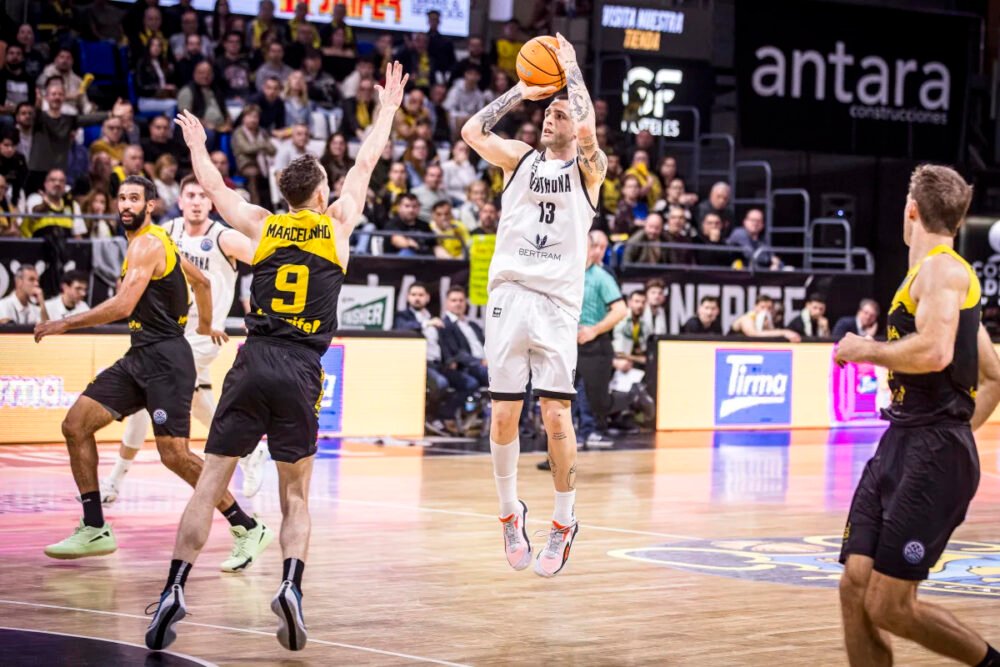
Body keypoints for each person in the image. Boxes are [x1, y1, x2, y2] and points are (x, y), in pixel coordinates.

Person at [144, 63, 408, 652]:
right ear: (320, 195)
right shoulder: (337, 225)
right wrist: (387, 108)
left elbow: (213, 191)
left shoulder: (262, 227)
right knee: (295, 495)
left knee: (209, 483)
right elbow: (366, 163)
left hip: (252, 356)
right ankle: (290, 587)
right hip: (301, 366)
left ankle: (172, 589)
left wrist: (196, 145)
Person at [32, 175, 263, 565]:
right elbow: (202, 281)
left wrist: (64, 322)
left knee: (174, 455)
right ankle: (94, 526)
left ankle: (248, 527)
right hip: (140, 356)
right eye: (121, 197)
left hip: (167, 363)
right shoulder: (162, 242)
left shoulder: (149, 243)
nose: (126, 204)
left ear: (150, 205)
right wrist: (205, 323)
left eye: (134, 198)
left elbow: (123, 306)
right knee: (76, 425)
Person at [835, 164, 1000, 667]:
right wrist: (959, 433)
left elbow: (933, 352)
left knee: (890, 606)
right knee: (854, 586)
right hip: (903, 441)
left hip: (931, 451)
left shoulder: (945, 271)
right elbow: (993, 374)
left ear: (910, 210)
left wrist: (865, 349)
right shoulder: (928, 277)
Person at [461, 34, 606, 577]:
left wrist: (569, 71)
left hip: (556, 304)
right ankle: (508, 513)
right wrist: (521, 91)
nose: (550, 117)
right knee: (502, 413)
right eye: (548, 112)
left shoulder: (590, 169)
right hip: (510, 296)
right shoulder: (519, 159)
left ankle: (564, 521)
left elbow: (589, 130)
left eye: (559, 113)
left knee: (555, 415)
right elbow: (472, 131)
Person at [105, 175, 271, 506]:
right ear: (179, 201)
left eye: (202, 195)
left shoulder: (224, 238)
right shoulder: (166, 233)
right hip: (167, 330)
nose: (196, 201)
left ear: (211, 203)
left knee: (146, 396)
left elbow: (270, 261)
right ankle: (251, 450)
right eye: (190, 195)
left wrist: (263, 312)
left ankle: (115, 478)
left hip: (206, 333)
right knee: (197, 401)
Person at [441, 286, 488, 387]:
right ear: (446, 303)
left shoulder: (473, 325)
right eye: (454, 300)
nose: (458, 303)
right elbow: (458, 354)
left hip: (487, 363)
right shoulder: (445, 325)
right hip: (469, 366)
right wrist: (481, 361)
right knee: (498, 378)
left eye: (461, 300)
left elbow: (486, 345)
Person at [730, 294, 800, 342]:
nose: (765, 311)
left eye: (769, 308)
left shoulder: (767, 321)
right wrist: (783, 332)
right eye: (762, 307)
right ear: (756, 307)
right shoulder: (746, 318)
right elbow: (752, 334)